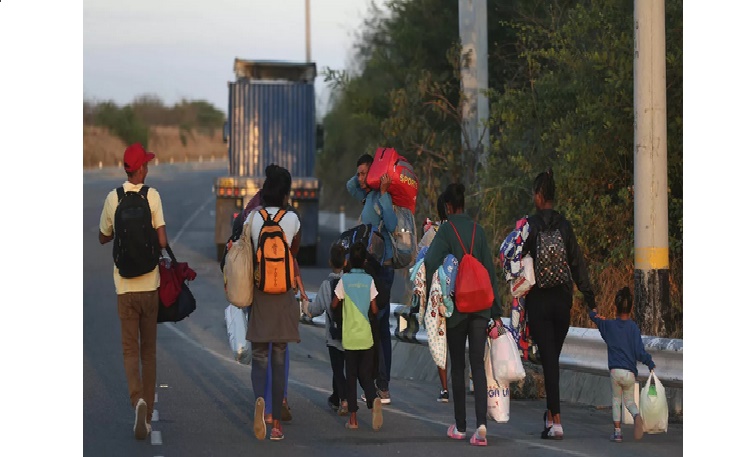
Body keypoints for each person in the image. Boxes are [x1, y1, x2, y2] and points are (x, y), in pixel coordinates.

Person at [424, 183, 503, 446]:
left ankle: (460, 426)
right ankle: (481, 426)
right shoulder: (478, 232)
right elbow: (490, 272)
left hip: (457, 308)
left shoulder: (446, 230)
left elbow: (430, 261)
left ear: (447, 206)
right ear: (464, 204)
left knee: (458, 366)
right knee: (478, 367)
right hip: (480, 308)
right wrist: (497, 311)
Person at [521, 168, 597, 440]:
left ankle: (557, 421)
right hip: (563, 302)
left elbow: (517, 263)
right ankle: (550, 416)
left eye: (534, 193)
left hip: (539, 302)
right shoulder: (565, 226)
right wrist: (590, 300)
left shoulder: (529, 226)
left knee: (550, 361)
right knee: (552, 360)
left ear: (540, 196)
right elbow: (578, 264)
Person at [98, 143, 167, 440]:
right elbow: (162, 241)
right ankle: (148, 414)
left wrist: (117, 230)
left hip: (124, 287)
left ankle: (136, 400)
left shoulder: (113, 198)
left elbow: (103, 236)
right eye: (146, 165)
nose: (148, 168)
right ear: (139, 169)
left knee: (129, 349)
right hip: (149, 285)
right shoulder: (152, 196)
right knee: (148, 352)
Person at [245, 166, 302, 441]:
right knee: (279, 358)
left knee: (259, 357)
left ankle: (260, 404)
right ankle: (276, 422)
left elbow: (248, 253)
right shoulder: (292, 219)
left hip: (260, 293)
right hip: (283, 296)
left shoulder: (254, 219)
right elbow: (294, 254)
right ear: (285, 193)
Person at [346, 153, 397, 404]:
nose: (359, 178)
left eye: (364, 173)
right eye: (358, 173)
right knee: (372, 324)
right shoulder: (367, 195)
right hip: (370, 267)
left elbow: (392, 223)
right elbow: (349, 186)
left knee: (381, 325)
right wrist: (367, 177)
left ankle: (383, 384)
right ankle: (375, 378)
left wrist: (383, 191)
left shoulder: (379, 198)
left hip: (383, 268)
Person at [589, 287, 656, 443]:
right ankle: (636, 416)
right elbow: (640, 352)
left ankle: (617, 432)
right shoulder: (633, 328)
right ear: (631, 307)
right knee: (629, 401)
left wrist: (594, 313)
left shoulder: (609, 325)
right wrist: (649, 362)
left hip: (615, 371)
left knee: (616, 400)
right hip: (629, 373)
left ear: (615, 306)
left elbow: (595, 319)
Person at [331, 241, 383, 430]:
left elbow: (334, 303)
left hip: (350, 337)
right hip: (366, 336)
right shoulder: (369, 280)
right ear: (364, 261)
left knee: (351, 376)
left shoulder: (344, 280)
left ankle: (353, 419)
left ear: (350, 260)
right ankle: (373, 398)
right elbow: (375, 309)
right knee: (366, 375)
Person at [306, 242, 348, 416]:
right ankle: (336, 397)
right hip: (352, 332)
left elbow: (315, 310)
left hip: (334, 334)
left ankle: (344, 399)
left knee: (337, 369)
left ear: (330, 262)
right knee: (345, 368)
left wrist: (305, 306)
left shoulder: (326, 285)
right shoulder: (350, 281)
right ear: (345, 262)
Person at [418, 193, 450, 403]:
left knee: (439, 341)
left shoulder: (432, 233)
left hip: (437, 298)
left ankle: (445, 388)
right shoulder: (465, 231)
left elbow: (420, 262)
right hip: (459, 295)